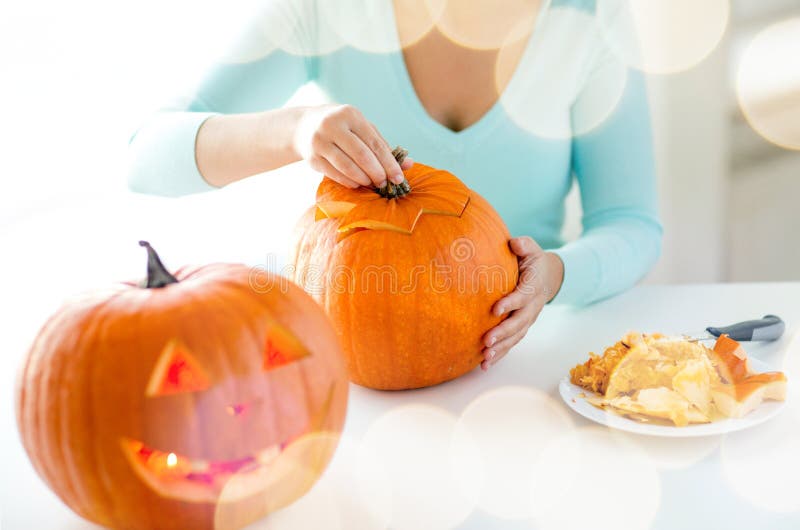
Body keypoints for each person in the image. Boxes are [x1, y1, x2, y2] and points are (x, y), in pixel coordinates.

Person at [128, 0, 662, 371]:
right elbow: (145, 157)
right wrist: (293, 130)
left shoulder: (590, 19)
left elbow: (630, 223)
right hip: (354, 372)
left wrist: (552, 277)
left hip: (524, 365)